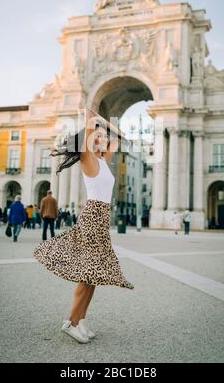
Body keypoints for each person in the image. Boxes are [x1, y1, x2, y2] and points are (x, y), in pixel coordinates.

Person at [33, 108, 134, 344]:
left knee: (94, 274)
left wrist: (104, 123)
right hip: (91, 218)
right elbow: (88, 121)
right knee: (87, 274)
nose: (104, 139)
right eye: (99, 137)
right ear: (90, 141)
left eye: (103, 138)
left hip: (100, 220)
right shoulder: (88, 158)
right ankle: (71, 322)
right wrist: (94, 120)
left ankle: (81, 319)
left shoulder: (103, 159)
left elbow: (120, 138)